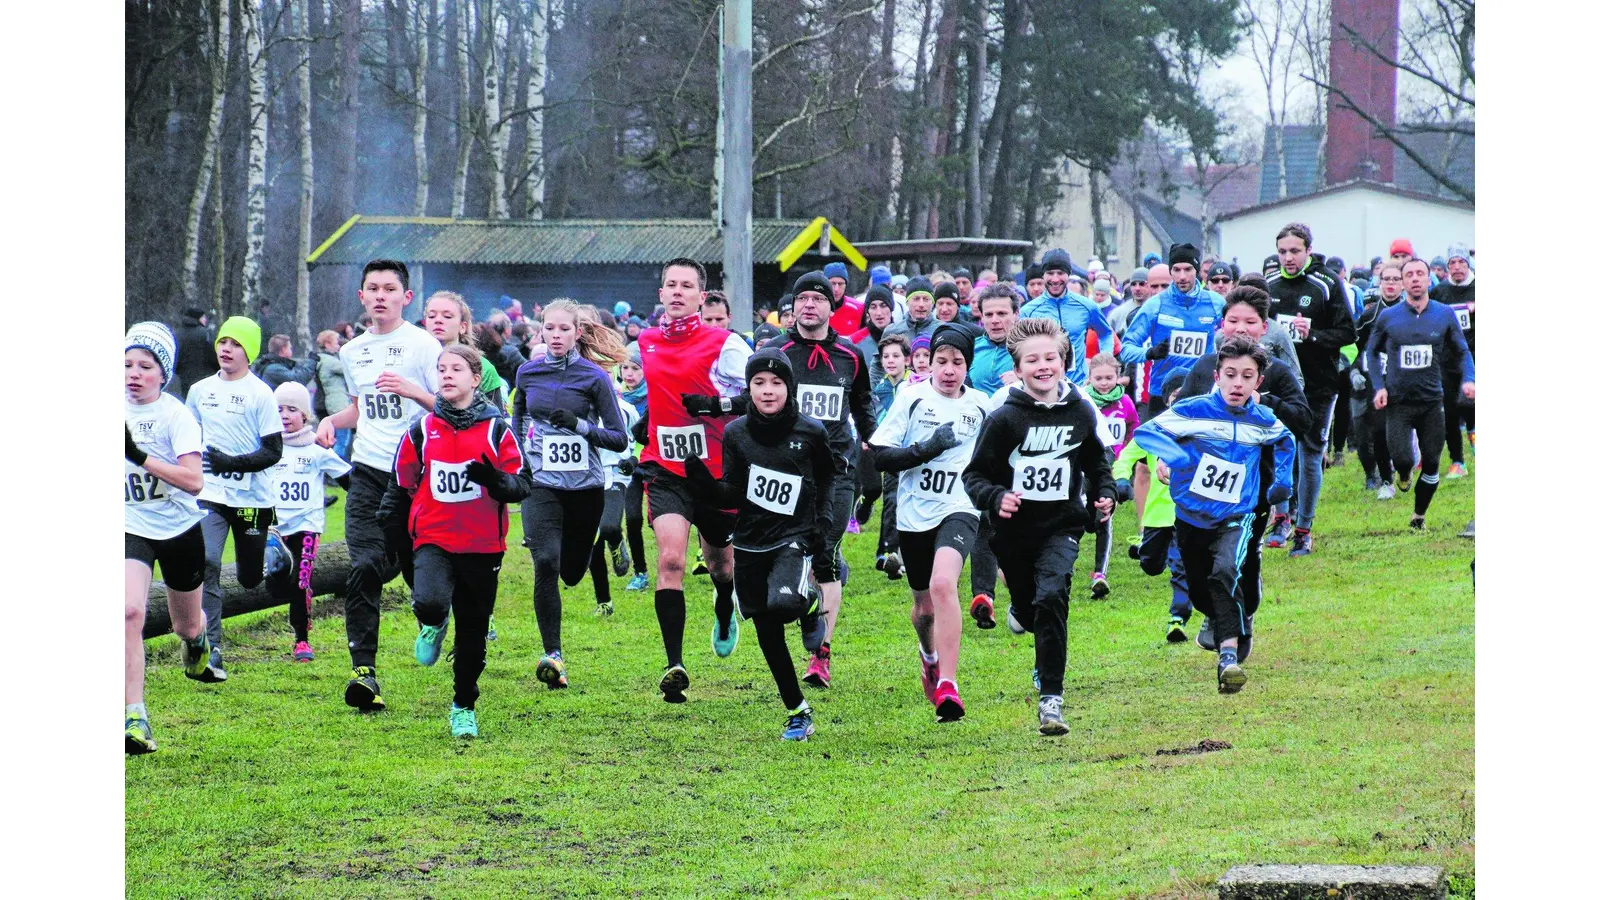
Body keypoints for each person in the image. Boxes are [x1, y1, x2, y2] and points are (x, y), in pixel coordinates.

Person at [962, 318, 1115, 735]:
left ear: (1065, 362)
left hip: (1061, 525)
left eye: (1051, 358)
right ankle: (1018, 608)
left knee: (1053, 598)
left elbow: (1096, 462)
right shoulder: (1004, 417)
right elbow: (974, 477)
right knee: (1032, 609)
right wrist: (997, 498)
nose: (1043, 366)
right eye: (1033, 359)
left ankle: (1051, 699)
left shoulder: (1080, 409)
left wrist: (1105, 492)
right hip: (1012, 534)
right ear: (1018, 366)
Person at [682, 349, 836, 740]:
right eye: (759, 384)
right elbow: (733, 491)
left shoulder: (810, 431)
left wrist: (822, 523)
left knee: (783, 603)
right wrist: (704, 484)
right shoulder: (736, 433)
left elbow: (828, 480)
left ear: (789, 387)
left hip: (794, 537)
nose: (768, 391)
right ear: (748, 389)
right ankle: (798, 711)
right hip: (751, 542)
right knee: (767, 631)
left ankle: (809, 602)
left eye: (777, 383)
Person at [1132, 335, 1296, 694]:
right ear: (1217, 376)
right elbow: (1147, 431)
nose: (1238, 384)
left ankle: (1228, 656)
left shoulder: (1262, 419)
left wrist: (1281, 484)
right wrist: (1171, 456)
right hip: (1191, 516)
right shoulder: (1193, 410)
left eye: (1247, 376)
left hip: (1238, 515)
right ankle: (1234, 624)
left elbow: (1286, 441)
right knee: (1201, 589)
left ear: (1258, 382)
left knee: (1226, 571)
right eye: (1231, 375)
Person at [315, 259, 442, 712]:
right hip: (367, 473)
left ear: (407, 298)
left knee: (416, 572)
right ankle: (364, 673)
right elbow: (359, 409)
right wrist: (331, 420)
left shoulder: (424, 346)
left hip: (417, 474)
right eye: (374, 288)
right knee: (364, 565)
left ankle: (431, 618)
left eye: (391, 288)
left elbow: (449, 406)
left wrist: (414, 392)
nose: (382, 295)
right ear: (362, 298)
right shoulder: (353, 353)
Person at [395, 344, 531, 738]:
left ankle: (463, 706)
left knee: (472, 631)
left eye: (456, 369)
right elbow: (404, 479)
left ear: (476, 380)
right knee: (430, 601)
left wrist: (494, 481)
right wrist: (402, 518)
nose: (447, 375)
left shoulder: (496, 429)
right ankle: (434, 623)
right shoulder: (422, 428)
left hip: (482, 544)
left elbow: (523, 483)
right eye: (441, 369)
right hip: (434, 537)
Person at [634, 257, 751, 702]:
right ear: (661, 294)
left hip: (715, 473)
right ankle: (674, 665)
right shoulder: (644, 342)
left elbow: (761, 396)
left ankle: (725, 606)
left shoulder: (725, 343)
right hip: (665, 470)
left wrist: (716, 404)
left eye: (686, 286)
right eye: (670, 285)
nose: (677, 292)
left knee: (721, 564)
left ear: (702, 297)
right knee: (671, 561)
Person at [871, 326, 990, 723]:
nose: (949, 370)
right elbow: (881, 458)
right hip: (914, 514)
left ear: (967, 366)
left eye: (957, 363)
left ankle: (948, 686)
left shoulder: (981, 405)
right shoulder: (911, 397)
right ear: (928, 363)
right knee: (923, 608)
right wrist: (927, 448)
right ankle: (929, 658)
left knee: (944, 584)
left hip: (960, 506)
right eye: (942, 361)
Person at [512, 299, 630, 687]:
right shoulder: (527, 374)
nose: (557, 335)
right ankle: (553, 654)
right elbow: (517, 424)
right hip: (542, 484)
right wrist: (521, 464)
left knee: (573, 572)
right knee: (545, 562)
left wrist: (580, 426)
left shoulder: (594, 378)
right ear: (541, 331)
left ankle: (599, 543)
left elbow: (618, 438)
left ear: (577, 333)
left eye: (565, 329)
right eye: (550, 328)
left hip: (586, 488)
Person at [775, 270, 877, 687]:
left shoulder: (850, 356)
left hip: (836, 469)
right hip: (784, 470)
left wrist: (874, 444)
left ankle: (821, 655)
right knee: (787, 555)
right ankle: (805, 603)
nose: (810, 305)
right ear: (793, 307)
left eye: (818, 298)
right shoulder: (776, 352)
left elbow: (863, 406)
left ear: (831, 307)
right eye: (802, 299)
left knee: (825, 553)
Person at [126, 323, 213, 754]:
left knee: (186, 624)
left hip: (178, 529)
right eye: (125, 364)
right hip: (128, 526)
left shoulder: (176, 415)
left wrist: (139, 457)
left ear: (163, 373)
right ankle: (133, 717)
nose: (133, 373)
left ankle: (197, 645)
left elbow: (194, 480)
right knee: (127, 612)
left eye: (144, 365)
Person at [186, 315, 285, 682]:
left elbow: (273, 452)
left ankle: (274, 551)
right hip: (211, 494)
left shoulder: (261, 393)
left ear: (250, 352)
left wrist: (233, 463)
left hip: (252, 500)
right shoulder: (199, 390)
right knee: (208, 562)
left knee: (248, 579)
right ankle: (213, 649)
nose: (226, 349)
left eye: (236, 344)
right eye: (223, 342)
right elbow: (188, 435)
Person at [1263, 223, 1355, 557]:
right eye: (1282, 251)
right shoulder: (1269, 285)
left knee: (1310, 450)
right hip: (1280, 382)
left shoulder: (1326, 283)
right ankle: (1281, 518)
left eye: (1294, 251)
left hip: (1318, 383)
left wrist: (1313, 333)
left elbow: (1348, 333)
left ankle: (1304, 529)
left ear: (1308, 251)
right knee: (1276, 448)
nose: (1287, 258)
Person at [1368, 258, 1476, 531]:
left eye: (1420, 274)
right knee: (1403, 459)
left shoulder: (1444, 314)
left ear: (1429, 280)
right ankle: (1403, 473)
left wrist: (1469, 379)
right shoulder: (1388, 317)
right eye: (1409, 275)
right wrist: (1379, 386)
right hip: (1399, 402)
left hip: (1432, 401)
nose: (1415, 279)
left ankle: (1419, 515)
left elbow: (1462, 350)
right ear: (1403, 282)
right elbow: (1371, 352)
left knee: (1431, 463)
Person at [263, 381, 351, 662]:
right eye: (279, 409)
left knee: (301, 582)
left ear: (305, 415)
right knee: (276, 585)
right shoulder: (266, 449)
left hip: (307, 525)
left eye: (292, 409)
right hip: (274, 529)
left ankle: (302, 640)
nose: (285, 415)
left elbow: (348, 478)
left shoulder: (316, 450)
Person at [1113, 371, 1192, 643]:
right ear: (1167, 399)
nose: (1180, 400)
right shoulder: (1153, 429)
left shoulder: (1202, 428)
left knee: (1182, 565)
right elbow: (1126, 456)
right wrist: (1122, 480)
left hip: (1187, 513)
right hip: (1157, 515)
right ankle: (1146, 550)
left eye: (1186, 395)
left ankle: (1177, 618)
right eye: (1175, 396)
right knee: (1151, 565)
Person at [1117, 243, 1227, 419]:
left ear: (1197, 270)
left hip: (1202, 393)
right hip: (1162, 394)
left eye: (1188, 269)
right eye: (1176, 270)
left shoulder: (1216, 303)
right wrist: (1149, 353)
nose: (1182, 276)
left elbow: (1232, 339)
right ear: (1170, 271)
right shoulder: (1155, 305)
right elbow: (1125, 349)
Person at [1084, 352, 1139, 599]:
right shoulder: (1084, 401)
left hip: (1113, 467)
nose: (1104, 382)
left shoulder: (1125, 402)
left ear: (1118, 378)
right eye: (1099, 378)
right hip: (1087, 467)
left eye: (1109, 377)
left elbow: (1133, 427)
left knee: (1105, 517)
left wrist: (1126, 452)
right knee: (1082, 516)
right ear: (1090, 378)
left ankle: (1099, 574)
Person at [1020, 249, 1113, 385]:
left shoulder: (1087, 306)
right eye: (1050, 273)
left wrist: (1105, 359)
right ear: (1043, 275)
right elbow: (1019, 348)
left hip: (1080, 384)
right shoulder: (1028, 311)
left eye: (1061, 273)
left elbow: (1105, 333)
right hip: (1043, 386)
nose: (1055, 279)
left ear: (1069, 274)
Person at [1353, 263, 1405, 497]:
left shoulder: (1411, 312)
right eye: (1387, 279)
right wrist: (1353, 370)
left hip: (1403, 381)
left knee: (1393, 434)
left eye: (1396, 279)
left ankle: (1401, 470)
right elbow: (1354, 346)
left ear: (1402, 284)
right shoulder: (1369, 314)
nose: (1391, 284)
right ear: (1380, 282)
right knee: (1371, 434)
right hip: (1370, 381)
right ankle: (1381, 479)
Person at [1430, 243, 1475, 476]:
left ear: (1468, 264)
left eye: (1461, 262)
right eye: (1452, 263)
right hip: (1447, 357)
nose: (1457, 267)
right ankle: (1458, 460)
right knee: (1449, 408)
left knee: (1470, 402)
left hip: (1475, 354)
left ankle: (1474, 435)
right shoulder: (1440, 291)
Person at [870, 333, 911, 579]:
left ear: (907, 359)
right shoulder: (881, 388)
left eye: (896, 356)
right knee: (891, 500)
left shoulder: (915, 384)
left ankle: (907, 553)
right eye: (886, 356)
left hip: (913, 451)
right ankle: (886, 553)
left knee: (907, 501)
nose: (891, 361)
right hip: (890, 451)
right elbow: (878, 418)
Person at [618, 344, 652, 592]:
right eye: (625, 368)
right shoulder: (613, 397)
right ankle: (640, 572)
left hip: (653, 464)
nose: (629, 374)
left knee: (658, 522)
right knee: (632, 519)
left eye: (635, 368)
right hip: (627, 468)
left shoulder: (654, 395)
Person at [314, 330, 353, 460]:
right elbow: (351, 369)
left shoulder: (322, 359)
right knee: (341, 440)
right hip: (339, 404)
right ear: (327, 344)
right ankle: (336, 466)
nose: (338, 346)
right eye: (336, 343)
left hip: (333, 402)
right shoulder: (329, 361)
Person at [883, 276, 937, 346]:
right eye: (916, 299)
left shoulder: (941, 330)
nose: (921, 304)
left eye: (926, 299)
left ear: (932, 302)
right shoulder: (892, 331)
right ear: (907, 302)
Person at [174, 307, 214, 396]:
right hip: (205, 377)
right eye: (203, 317)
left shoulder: (178, 334)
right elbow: (214, 355)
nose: (205, 320)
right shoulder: (206, 334)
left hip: (183, 379)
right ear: (198, 318)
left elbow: (175, 359)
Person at [254, 334, 319, 390]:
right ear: (283, 350)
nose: (291, 350)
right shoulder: (273, 369)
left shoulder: (275, 364)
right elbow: (298, 380)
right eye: (290, 348)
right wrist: (311, 361)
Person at [823, 262, 865, 336]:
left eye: (840, 284)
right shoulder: (815, 307)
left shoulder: (859, 308)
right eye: (832, 283)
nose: (836, 289)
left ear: (846, 285)